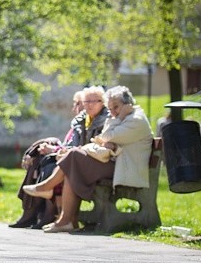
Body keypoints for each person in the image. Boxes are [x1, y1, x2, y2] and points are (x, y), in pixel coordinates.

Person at [22, 86, 153, 233]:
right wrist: (108, 137)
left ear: (128, 104)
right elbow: (104, 138)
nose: (113, 113)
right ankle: (66, 221)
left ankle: (48, 189)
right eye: (110, 109)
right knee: (73, 164)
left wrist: (110, 132)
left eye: (116, 107)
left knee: (73, 156)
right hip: (114, 163)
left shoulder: (136, 119)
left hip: (125, 169)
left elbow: (105, 136)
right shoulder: (123, 119)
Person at [10, 89, 89, 229]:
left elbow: (78, 148)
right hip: (67, 158)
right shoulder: (77, 124)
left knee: (50, 162)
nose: (74, 108)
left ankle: (46, 212)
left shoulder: (85, 124)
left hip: (76, 162)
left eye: (77, 103)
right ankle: (29, 212)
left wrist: (54, 150)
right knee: (40, 158)